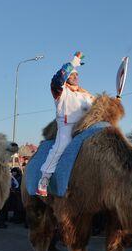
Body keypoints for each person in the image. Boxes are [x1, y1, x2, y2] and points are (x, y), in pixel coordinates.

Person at [37, 51, 95, 197]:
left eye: (77, 74)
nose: (75, 77)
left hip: (85, 126)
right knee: (62, 144)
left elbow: (98, 107)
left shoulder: (86, 94)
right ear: (67, 77)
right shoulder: (60, 91)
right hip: (67, 125)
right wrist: (73, 62)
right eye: (72, 74)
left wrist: (112, 103)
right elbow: (57, 79)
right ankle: (45, 178)